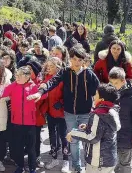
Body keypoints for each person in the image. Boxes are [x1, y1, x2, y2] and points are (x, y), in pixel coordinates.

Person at [28, 45, 100, 173]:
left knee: (86, 141)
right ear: (70, 59)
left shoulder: (89, 74)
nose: (77, 63)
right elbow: (52, 82)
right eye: (74, 59)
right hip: (69, 113)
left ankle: (88, 165)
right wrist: (40, 92)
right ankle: (77, 167)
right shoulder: (65, 72)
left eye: (80, 60)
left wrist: (99, 106)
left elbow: (99, 91)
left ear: (84, 60)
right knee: (73, 140)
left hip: (85, 113)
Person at [0, 66, 46, 173]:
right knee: (18, 147)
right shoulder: (13, 86)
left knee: (31, 148)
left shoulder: (34, 86)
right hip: (16, 123)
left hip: (30, 123)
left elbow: (44, 94)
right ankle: (20, 166)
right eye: (16, 75)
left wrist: (39, 94)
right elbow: (2, 93)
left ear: (28, 76)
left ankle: (32, 167)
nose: (17, 77)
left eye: (20, 75)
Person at [66, 84, 121, 173]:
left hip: (98, 162)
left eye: (96, 94)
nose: (94, 97)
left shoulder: (98, 114)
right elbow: (103, 130)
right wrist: (88, 127)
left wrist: (73, 133)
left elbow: (93, 137)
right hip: (110, 159)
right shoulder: (112, 111)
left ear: (102, 99)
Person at [109, 67, 132, 173]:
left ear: (123, 81)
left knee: (124, 165)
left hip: (127, 139)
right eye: (111, 83)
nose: (114, 86)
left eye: (116, 83)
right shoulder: (111, 96)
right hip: (113, 138)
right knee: (113, 163)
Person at [38, 58, 70, 171]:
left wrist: (61, 103)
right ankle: (54, 157)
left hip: (62, 113)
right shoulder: (46, 79)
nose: (49, 68)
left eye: (51, 66)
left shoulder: (63, 79)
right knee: (52, 135)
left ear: (58, 67)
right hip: (50, 112)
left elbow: (69, 95)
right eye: (48, 66)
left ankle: (66, 160)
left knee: (64, 136)